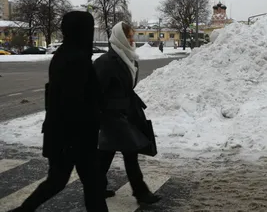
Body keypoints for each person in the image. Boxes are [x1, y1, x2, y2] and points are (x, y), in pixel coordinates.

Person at [9, 11, 108, 212]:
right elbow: (73, 102)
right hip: (72, 137)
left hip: (70, 135)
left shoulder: (68, 53)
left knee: (90, 183)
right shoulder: (76, 59)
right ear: (81, 31)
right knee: (65, 182)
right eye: (89, 29)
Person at [94, 22, 161, 205]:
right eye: (129, 37)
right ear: (120, 38)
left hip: (127, 113)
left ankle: (95, 188)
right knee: (130, 152)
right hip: (111, 116)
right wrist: (101, 115)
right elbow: (95, 91)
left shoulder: (131, 59)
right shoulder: (105, 62)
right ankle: (141, 193)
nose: (133, 40)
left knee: (106, 153)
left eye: (132, 36)